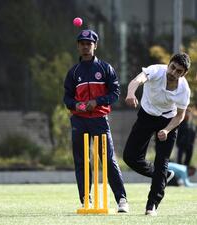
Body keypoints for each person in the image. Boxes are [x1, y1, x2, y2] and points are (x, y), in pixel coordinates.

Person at [63, 29, 129, 213]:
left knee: (107, 159)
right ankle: (86, 200)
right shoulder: (73, 72)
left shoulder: (105, 68)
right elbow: (67, 99)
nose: (86, 46)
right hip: (79, 120)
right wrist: (78, 105)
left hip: (99, 119)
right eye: (82, 43)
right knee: (82, 161)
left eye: (89, 43)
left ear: (95, 46)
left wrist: (97, 102)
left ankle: (122, 199)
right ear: (78, 46)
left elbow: (115, 93)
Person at [123, 53, 191, 216]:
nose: (173, 72)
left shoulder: (184, 89)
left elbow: (180, 115)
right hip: (146, 115)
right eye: (172, 67)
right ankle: (164, 176)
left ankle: (152, 205)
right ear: (169, 64)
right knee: (130, 157)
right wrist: (131, 93)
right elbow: (136, 81)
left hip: (168, 120)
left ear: (183, 74)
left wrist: (167, 130)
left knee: (162, 162)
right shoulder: (156, 71)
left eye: (178, 71)